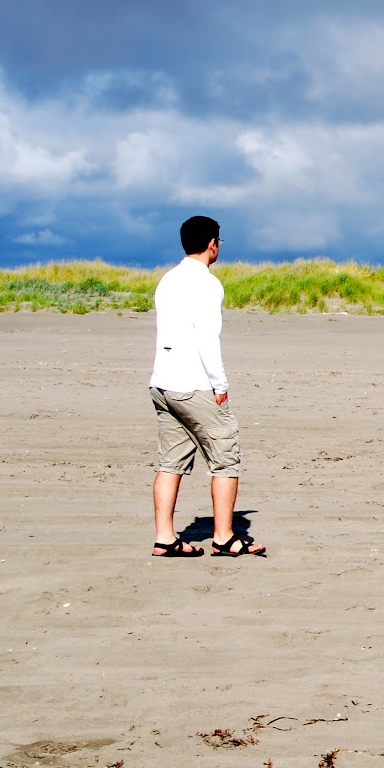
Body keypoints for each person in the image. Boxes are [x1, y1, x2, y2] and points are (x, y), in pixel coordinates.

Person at [147, 215, 265, 558]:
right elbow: (206, 339)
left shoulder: (167, 279)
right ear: (212, 243)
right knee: (226, 458)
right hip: (193, 384)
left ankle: (165, 537)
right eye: (219, 242)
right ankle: (225, 536)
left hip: (163, 384)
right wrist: (220, 384)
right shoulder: (207, 283)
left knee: (170, 462)